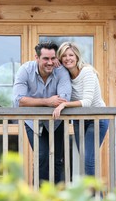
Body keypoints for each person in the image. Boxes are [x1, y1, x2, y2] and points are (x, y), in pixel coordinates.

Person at [13, 41, 72, 185]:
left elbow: (64, 98)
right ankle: (39, 198)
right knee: (42, 156)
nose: (50, 62)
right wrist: (47, 101)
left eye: (53, 58)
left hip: (57, 121)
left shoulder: (61, 71)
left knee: (58, 159)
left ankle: (55, 198)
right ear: (37, 58)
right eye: (46, 58)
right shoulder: (25, 70)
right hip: (33, 122)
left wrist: (37, 101)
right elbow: (19, 100)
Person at [53, 41, 109, 176]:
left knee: (88, 160)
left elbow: (87, 102)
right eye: (64, 55)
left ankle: (96, 197)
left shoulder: (87, 72)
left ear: (77, 57)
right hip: (79, 121)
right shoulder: (64, 77)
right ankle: (94, 195)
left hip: (97, 119)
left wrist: (64, 104)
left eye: (71, 55)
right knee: (84, 160)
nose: (68, 58)